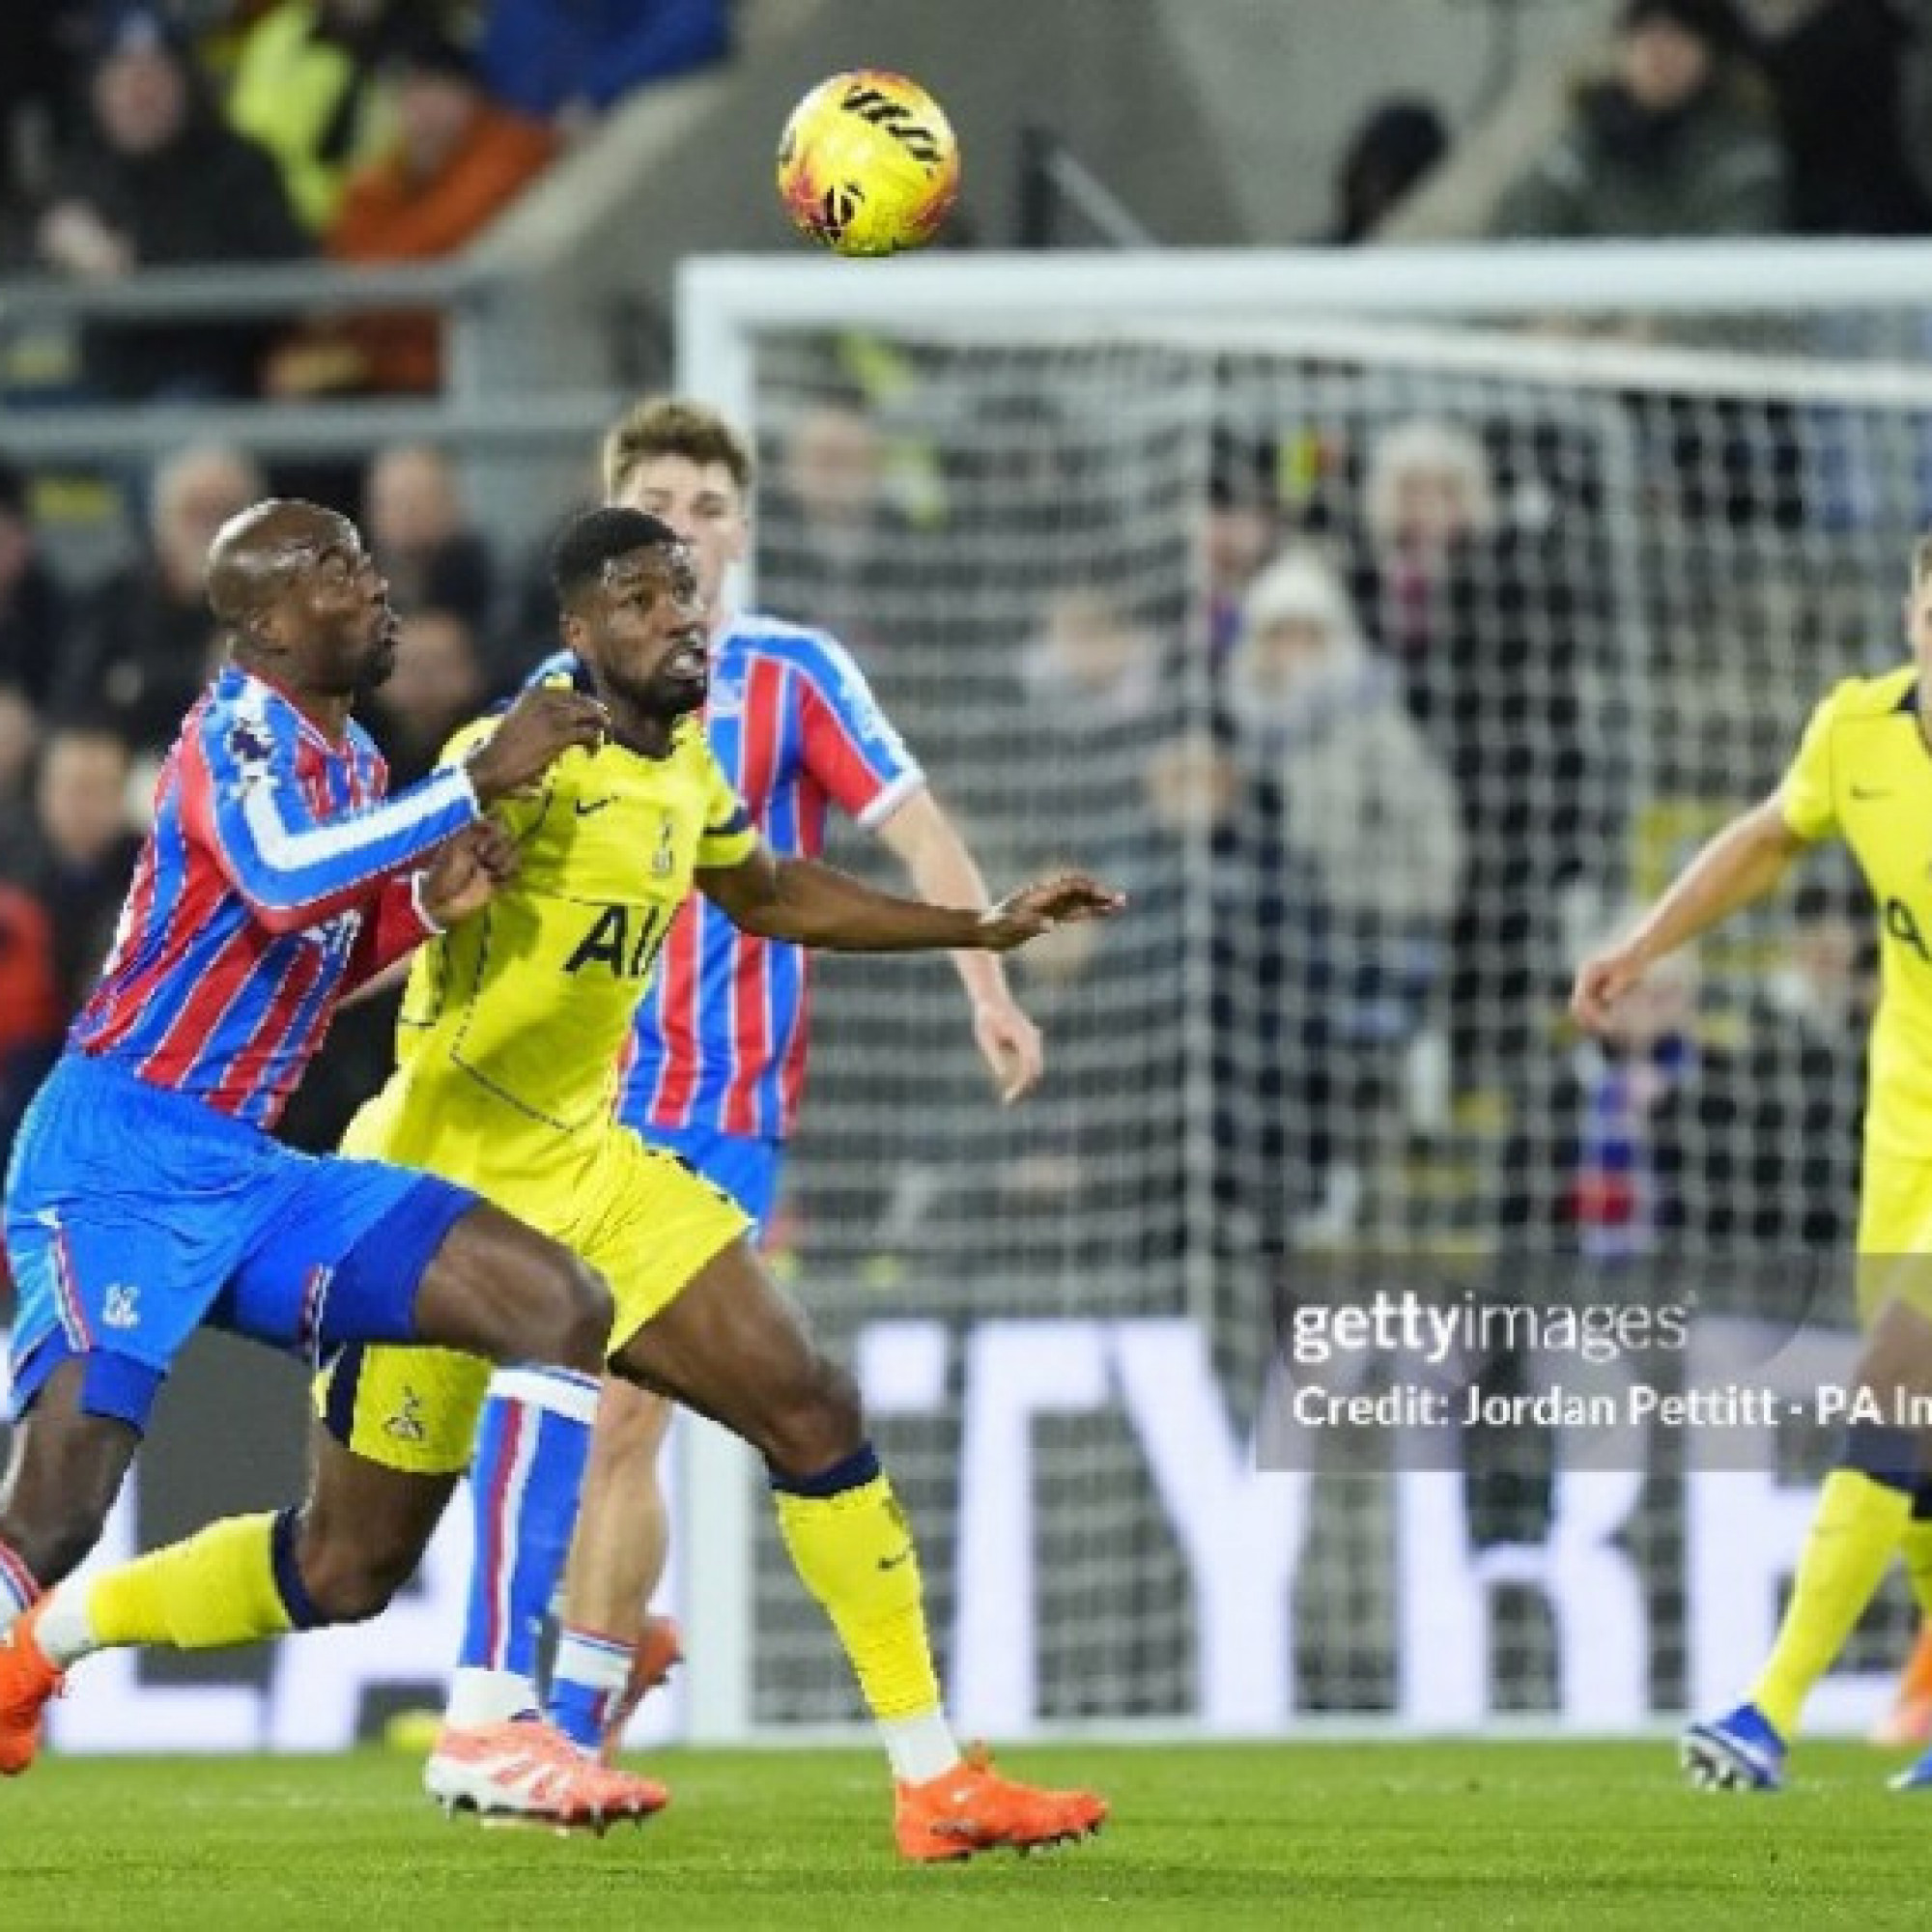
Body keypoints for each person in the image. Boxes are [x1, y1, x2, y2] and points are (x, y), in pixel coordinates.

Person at [288, 506, 1111, 1849]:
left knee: (810, 1403)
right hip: (443, 1175)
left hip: (589, 1160)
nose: (679, 615)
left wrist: (978, 926)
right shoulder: (513, 757)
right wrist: (437, 882)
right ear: (576, 631)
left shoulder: (682, 768)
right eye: (639, 598)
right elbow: (370, 917)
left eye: (683, 591)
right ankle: (63, 1632)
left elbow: (770, 893)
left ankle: (932, 1778)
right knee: (344, 1564)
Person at [0, 498, 650, 1828]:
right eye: (338, 569)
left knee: (556, 1302)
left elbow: (296, 958)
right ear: (266, 622)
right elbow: (283, 879)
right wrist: (474, 778)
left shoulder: (349, 760)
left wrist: (418, 910)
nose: (376, 583)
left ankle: (492, 1721)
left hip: (249, 1171)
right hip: (119, 1157)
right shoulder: (236, 731)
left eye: (368, 558)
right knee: (57, 1514)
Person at [449, 396, 1049, 1766]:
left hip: (719, 1108)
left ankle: (570, 1722)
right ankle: (600, 1667)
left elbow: (916, 831)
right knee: (575, 1416)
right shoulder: (550, 704)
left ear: (740, 534)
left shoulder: (794, 676)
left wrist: (987, 986)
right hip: (565, 1101)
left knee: (622, 1414)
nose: (685, 531)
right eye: (658, 505)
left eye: (710, 509)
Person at [1572, 529, 1932, 1790]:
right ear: (1912, 614)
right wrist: (1643, 941)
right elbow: (1770, 836)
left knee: (1897, 1385)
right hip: (1905, 1123)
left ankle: (1767, 1708)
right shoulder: (1857, 730)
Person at [1491, 0, 1786, 241]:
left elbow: (1740, 255)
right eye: (1645, 34)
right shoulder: (1583, 143)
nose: (1659, 52)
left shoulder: (1740, 152)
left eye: (1678, 36)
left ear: (1711, 52)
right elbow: (1521, 228)